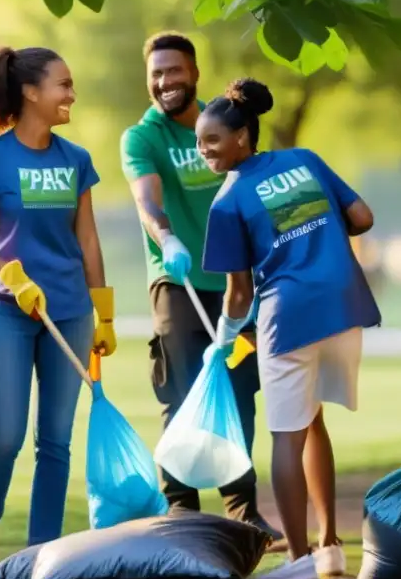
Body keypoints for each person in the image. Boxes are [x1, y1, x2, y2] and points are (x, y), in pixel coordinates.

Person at [198, 78, 381, 579]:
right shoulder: (305, 159)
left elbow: (237, 294)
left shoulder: (227, 201)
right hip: (345, 308)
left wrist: (224, 336)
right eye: (198, 142)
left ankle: (299, 560)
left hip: (289, 318)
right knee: (314, 421)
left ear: (242, 137)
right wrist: (316, 236)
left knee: (286, 436)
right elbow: (362, 216)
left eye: (212, 140)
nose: (204, 151)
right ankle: (330, 546)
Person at [0, 46, 116, 579]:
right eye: (63, 85)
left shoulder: (76, 159)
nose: (71, 95)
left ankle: (40, 556)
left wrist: (105, 313)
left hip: (69, 312)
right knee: (4, 436)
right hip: (7, 309)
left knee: (55, 440)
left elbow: (88, 238)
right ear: (30, 91)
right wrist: (13, 276)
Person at [119, 32, 281, 541]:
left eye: (174, 71)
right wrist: (166, 237)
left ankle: (242, 509)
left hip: (239, 283)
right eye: (156, 74)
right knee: (181, 389)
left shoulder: (225, 124)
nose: (165, 82)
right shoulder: (142, 137)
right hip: (179, 279)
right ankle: (181, 507)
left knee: (239, 391)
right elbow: (147, 201)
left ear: (194, 72)